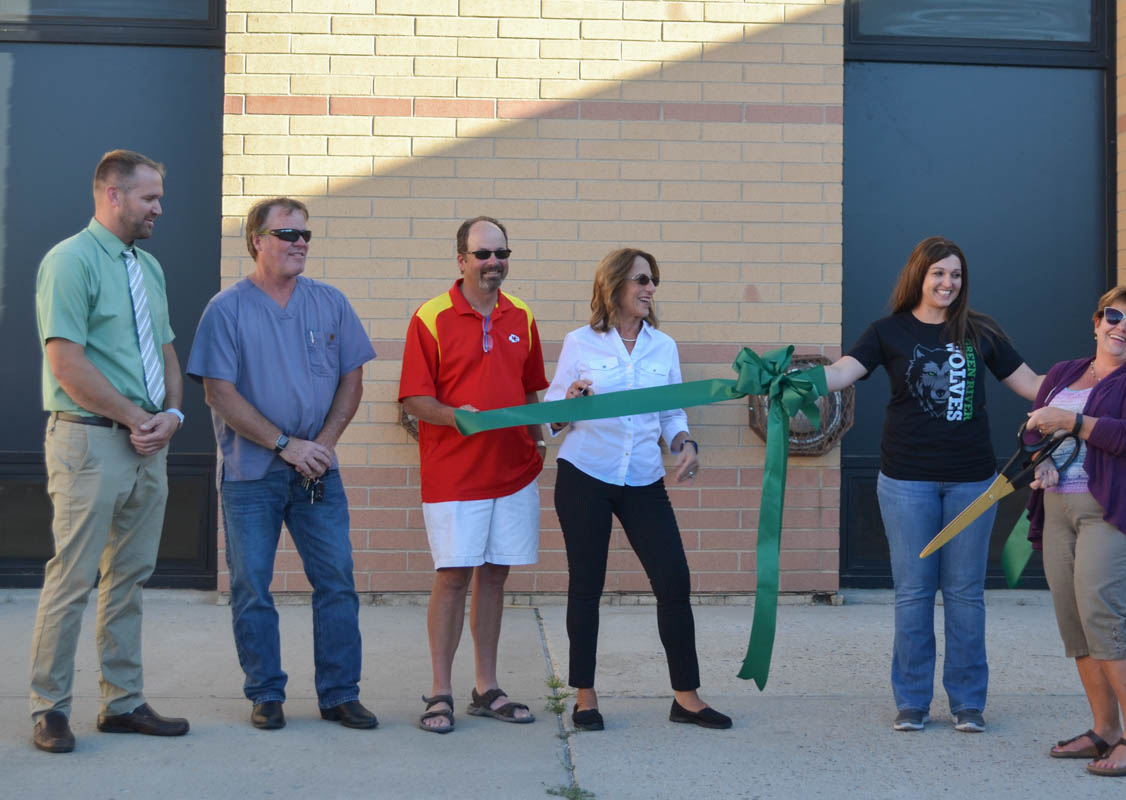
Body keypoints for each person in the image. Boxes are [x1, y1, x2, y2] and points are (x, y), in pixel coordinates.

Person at [817, 236, 1041, 733]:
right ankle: (913, 701)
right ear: (919, 275)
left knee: (964, 594)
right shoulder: (887, 331)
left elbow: (1033, 385)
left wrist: (1098, 380)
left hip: (972, 482)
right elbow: (840, 373)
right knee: (914, 594)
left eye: (956, 274)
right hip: (906, 483)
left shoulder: (980, 331)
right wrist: (791, 382)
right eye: (939, 273)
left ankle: (967, 703)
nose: (948, 283)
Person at [187, 197, 378, 731]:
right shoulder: (227, 310)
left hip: (319, 471)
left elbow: (352, 377)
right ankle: (266, 693)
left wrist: (325, 443)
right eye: (287, 234)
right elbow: (218, 393)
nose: (299, 244)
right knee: (252, 586)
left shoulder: (330, 302)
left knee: (337, 581)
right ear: (256, 240)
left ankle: (340, 694)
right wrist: (285, 444)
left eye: (305, 236)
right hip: (252, 476)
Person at [30, 149, 190, 753]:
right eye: (150, 198)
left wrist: (170, 416)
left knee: (129, 577)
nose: (159, 209)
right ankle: (49, 708)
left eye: (160, 198)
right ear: (113, 195)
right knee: (72, 578)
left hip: (148, 445)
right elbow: (66, 363)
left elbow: (167, 351)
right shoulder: (69, 261)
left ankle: (122, 703)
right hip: (90, 441)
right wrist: (134, 418)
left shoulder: (147, 266)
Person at [545, 248, 730, 732]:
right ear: (614, 286)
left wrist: (684, 442)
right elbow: (551, 419)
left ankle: (685, 698)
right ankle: (585, 697)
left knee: (673, 580)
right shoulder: (580, 342)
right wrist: (568, 402)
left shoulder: (662, 347)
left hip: (643, 478)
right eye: (641, 280)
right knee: (586, 586)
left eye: (654, 281)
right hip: (585, 474)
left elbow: (671, 413)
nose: (650, 289)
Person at [398, 216, 547, 733]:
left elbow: (530, 391)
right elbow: (415, 399)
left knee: (497, 575)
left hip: (514, 471)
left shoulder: (522, 315)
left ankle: (487, 688)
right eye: (482, 254)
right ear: (460, 259)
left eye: (501, 253)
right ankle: (440, 691)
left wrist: (539, 438)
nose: (493, 263)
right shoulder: (431, 316)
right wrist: (453, 416)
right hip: (454, 475)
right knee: (454, 576)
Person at [1025, 286, 1126, 777]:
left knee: (1103, 616)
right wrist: (1039, 461)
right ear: (1096, 320)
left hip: (1111, 509)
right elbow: (1033, 427)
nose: (1121, 329)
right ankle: (1105, 729)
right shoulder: (1065, 372)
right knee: (1075, 623)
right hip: (1057, 506)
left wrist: (1073, 420)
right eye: (1114, 317)